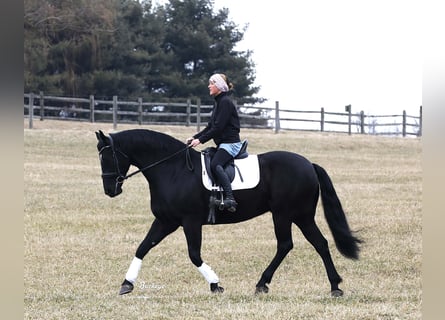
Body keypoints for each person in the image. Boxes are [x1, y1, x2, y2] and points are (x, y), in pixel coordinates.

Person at [186, 73, 242, 212]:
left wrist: (200, 140)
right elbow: (210, 127)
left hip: (231, 144)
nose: (209, 86)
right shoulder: (218, 102)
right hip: (223, 144)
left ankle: (230, 198)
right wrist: (195, 137)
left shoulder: (225, 103)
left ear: (218, 86)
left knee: (216, 164)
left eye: (211, 83)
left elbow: (218, 128)